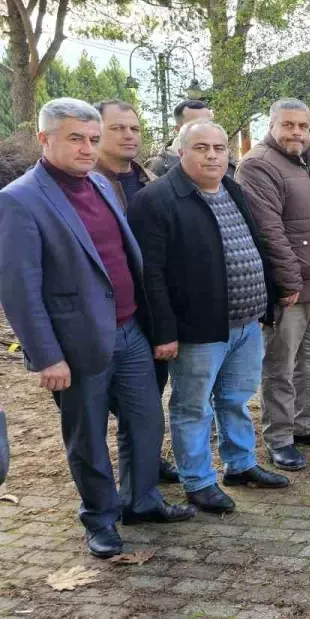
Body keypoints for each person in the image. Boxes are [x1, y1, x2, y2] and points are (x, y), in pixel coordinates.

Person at [0, 98, 195, 557]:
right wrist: (46, 355)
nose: (87, 148)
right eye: (75, 138)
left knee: (146, 420)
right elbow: (19, 290)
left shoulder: (103, 186)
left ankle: (141, 500)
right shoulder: (19, 200)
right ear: (45, 140)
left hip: (129, 331)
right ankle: (100, 518)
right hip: (77, 343)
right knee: (87, 436)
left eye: (92, 139)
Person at [128, 118, 290, 513]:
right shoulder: (158, 200)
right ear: (180, 152)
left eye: (219, 148)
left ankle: (240, 464)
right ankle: (198, 480)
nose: (213, 156)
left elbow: (254, 246)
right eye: (201, 148)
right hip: (197, 330)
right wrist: (163, 331)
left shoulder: (233, 189)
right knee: (192, 406)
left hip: (245, 324)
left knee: (235, 399)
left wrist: (267, 300)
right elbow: (151, 275)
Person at [236, 98, 310, 471]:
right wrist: (288, 282)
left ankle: (307, 424)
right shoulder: (259, 165)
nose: (296, 132)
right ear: (272, 125)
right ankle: (280, 438)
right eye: (288, 125)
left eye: (302, 126)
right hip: (291, 289)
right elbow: (269, 231)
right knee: (280, 365)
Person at [92, 99, 179, 483]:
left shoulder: (150, 182)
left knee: (147, 400)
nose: (129, 135)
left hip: (151, 309)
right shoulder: (86, 186)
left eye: (135, 129)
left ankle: (145, 470)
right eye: (118, 128)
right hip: (104, 317)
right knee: (111, 407)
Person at [147, 100, 236, 178]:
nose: (204, 129)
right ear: (178, 130)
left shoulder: (229, 165)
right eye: (195, 126)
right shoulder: (158, 167)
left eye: (208, 124)